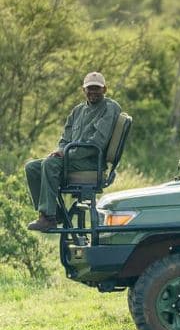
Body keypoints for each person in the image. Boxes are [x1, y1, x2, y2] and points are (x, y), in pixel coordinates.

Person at [24, 72, 122, 232]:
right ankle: (56, 213)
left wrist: (67, 154)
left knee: (50, 164)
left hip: (91, 161)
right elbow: (65, 139)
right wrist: (61, 150)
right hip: (72, 159)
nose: (93, 92)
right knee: (32, 167)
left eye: (97, 88)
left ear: (104, 89)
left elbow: (97, 143)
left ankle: (47, 218)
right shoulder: (78, 111)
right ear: (84, 90)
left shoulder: (109, 108)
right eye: (90, 88)